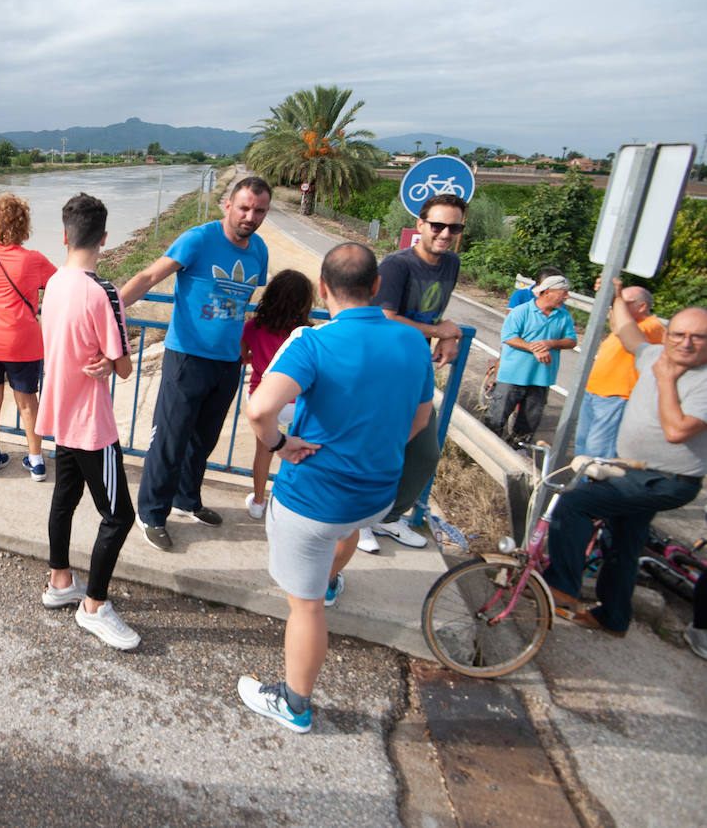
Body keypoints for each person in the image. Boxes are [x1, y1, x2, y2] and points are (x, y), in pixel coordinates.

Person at [238, 243, 433, 733]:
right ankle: (327, 581)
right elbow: (421, 417)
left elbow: (259, 410)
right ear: (376, 288)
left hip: (314, 498)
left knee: (303, 610)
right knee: (345, 536)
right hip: (377, 493)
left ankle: (295, 704)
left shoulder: (313, 344)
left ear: (323, 290)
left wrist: (281, 444)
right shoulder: (411, 342)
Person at [544, 287, 707, 637]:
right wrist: (616, 293)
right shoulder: (653, 355)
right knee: (621, 544)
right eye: (679, 334)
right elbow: (625, 328)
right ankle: (613, 617)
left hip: (667, 480)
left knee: (575, 505)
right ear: (669, 333)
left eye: (698, 337)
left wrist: (666, 381)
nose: (686, 343)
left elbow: (677, 430)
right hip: (634, 471)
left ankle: (560, 590)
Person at [120, 176, 271, 550]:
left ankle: (186, 500)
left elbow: (242, 305)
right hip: (187, 356)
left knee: (203, 439)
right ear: (228, 205)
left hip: (227, 361)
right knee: (170, 439)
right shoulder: (199, 239)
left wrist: (246, 344)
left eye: (259, 211)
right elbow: (148, 276)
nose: (250, 216)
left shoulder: (260, 250)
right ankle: (151, 513)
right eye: (244, 208)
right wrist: (108, 314)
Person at [35, 193, 140, 650]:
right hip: (92, 424)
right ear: (103, 239)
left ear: (64, 235)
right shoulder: (104, 292)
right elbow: (122, 366)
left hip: (59, 414)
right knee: (119, 515)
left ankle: (61, 582)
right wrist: (107, 360)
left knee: (65, 498)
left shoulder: (54, 283)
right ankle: (94, 607)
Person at [360, 193, 467, 553]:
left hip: (416, 367)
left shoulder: (450, 264)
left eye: (454, 227)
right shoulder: (396, 265)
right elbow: (387, 319)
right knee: (377, 447)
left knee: (423, 452)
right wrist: (443, 332)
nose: (445, 233)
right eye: (437, 225)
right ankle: (357, 520)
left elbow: (432, 317)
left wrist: (448, 331)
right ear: (420, 225)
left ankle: (387, 517)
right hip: (384, 368)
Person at [0, 193, 57, 479]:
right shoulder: (35, 260)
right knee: (27, 401)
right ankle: (36, 461)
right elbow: (59, 284)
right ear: (24, 226)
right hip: (21, 341)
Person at [239, 269, 314, 519]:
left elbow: (242, 357)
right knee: (299, 451)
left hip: (263, 400)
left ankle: (258, 503)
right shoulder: (305, 333)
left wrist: (257, 360)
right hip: (296, 402)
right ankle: (292, 504)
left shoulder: (252, 327)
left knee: (264, 453)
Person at [575, 285, 663, 458]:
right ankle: (581, 483)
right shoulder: (629, 324)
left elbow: (623, 330)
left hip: (617, 396)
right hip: (595, 392)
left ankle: (594, 484)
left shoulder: (652, 326)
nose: (617, 306)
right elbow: (617, 326)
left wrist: (617, 296)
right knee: (582, 444)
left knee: (599, 450)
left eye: (624, 303)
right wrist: (611, 296)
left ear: (642, 306)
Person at [486, 274, 577, 441]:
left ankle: (518, 453)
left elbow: (571, 341)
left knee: (527, 426)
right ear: (547, 292)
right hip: (512, 376)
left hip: (541, 379)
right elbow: (508, 336)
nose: (566, 296)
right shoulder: (522, 311)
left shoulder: (563, 316)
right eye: (563, 292)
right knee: (496, 420)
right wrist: (533, 348)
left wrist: (550, 343)